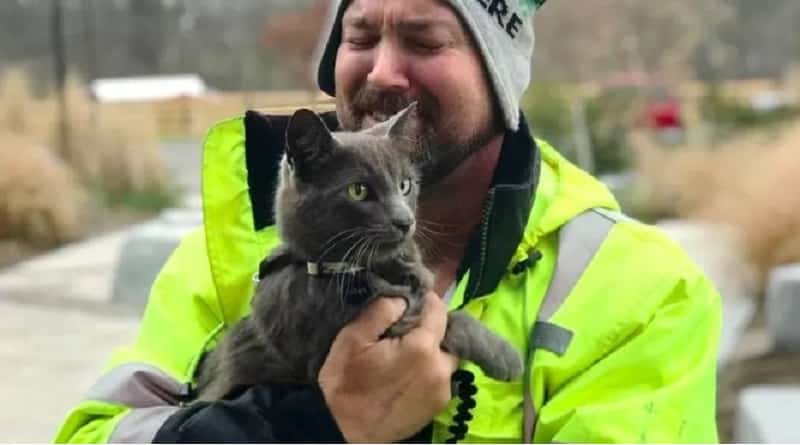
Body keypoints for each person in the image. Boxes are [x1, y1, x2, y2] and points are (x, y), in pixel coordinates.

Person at [55, 0, 722, 442]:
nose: (383, 70)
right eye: (361, 35)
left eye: (424, 39)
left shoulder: (643, 290)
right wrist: (307, 425)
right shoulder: (229, 250)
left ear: (498, 75)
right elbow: (98, 433)